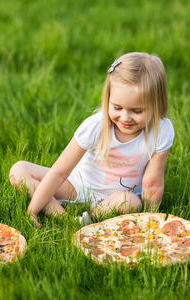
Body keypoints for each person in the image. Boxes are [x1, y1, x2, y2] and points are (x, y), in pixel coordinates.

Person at [9, 52, 174, 227]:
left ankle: (90, 218)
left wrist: (150, 219)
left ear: (157, 104)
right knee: (19, 170)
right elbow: (59, 172)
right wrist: (32, 210)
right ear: (108, 99)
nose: (125, 117)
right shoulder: (96, 126)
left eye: (137, 111)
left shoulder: (161, 131)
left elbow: (152, 182)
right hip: (77, 189)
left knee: (131, 202)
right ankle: (63, 217)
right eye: (117, 107)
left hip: (121, 197)